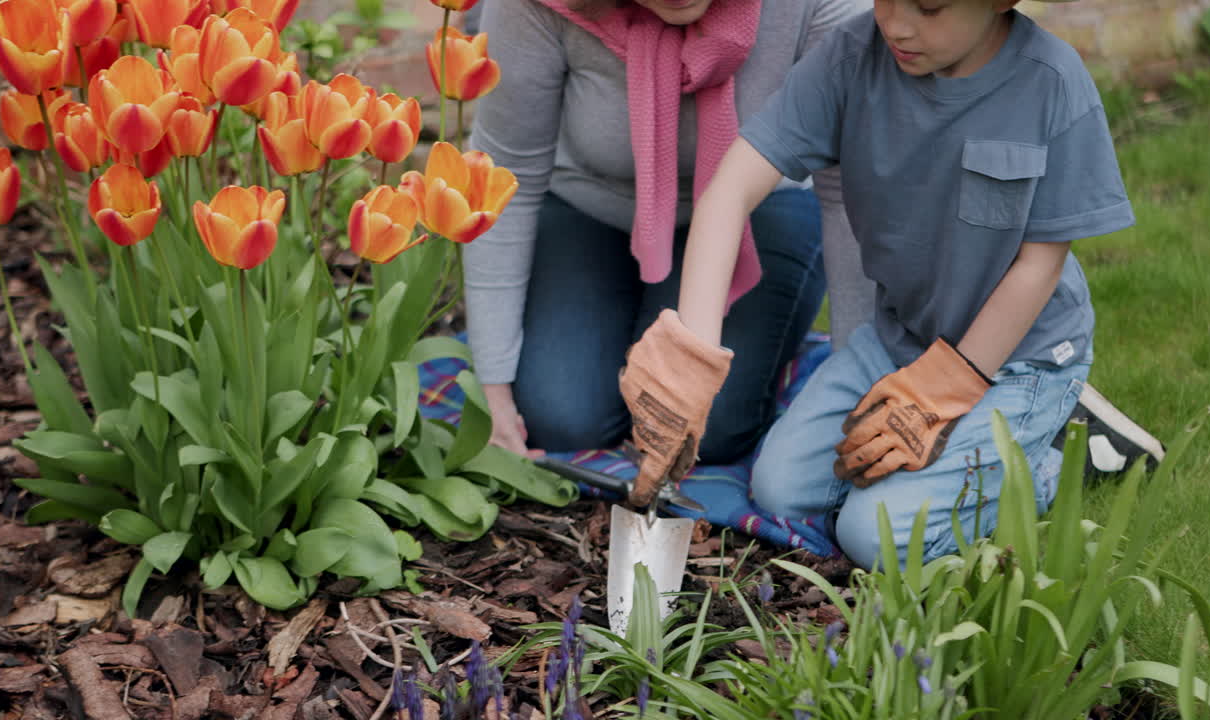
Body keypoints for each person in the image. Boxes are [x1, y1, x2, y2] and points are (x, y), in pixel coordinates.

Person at [618, 0, 1163, 566]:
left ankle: (1055, 461)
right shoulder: (850, 57)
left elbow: (1040, 265)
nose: (897, 26)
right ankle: (985, 451)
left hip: (1017, 359)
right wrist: (691, 359)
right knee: (780, 492)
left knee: (875, 537)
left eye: (928, 7)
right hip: (901, 340)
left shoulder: (1052, 81)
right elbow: (729, 191)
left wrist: (948, 386)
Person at [463, 0, 877, 464]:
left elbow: (848, 192)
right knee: (559, 418)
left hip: (761, 212)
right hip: (589, 203)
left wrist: (858, 384)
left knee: (705, 430)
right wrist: (492, 392)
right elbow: (508, 172)